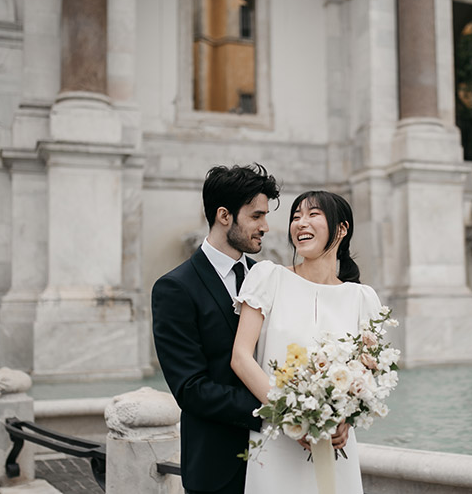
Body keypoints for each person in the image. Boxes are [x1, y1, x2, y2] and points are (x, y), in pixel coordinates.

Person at [230, 190, 382, 494]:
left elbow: (368, 374)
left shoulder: (362, 298)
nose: (301, 223)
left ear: (342, 229)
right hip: (276, 438)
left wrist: (346, 420)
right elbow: (241, 357)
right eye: (295, 216)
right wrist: (292, 417)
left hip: (335, 442)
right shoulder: (268, 277)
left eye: (313, 215)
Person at [151, 163, 281, 494]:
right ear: (224, 216)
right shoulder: (174, 288)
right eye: (256, 216)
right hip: (217, 467)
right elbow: (191, 389)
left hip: (279, 459)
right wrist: (275, 408)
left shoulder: (266, 278)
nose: (265, 226)